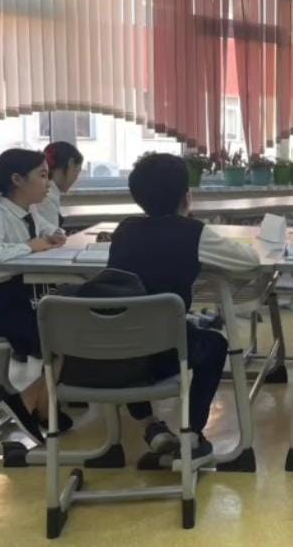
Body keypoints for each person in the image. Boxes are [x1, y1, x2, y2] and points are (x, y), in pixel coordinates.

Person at [106, 153, 260, 460]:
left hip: (115, 350)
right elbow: (249, 261)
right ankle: (192, 433)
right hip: (165, 349)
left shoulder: (124, 230)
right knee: (215, 345)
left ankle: (151, 426)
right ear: (186, 196)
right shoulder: (193, 232)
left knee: (133, 338)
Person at [0, 148, 68, 443]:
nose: (48, 182)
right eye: (42, 175)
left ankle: (43, 408)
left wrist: (55, 235)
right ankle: (27, 402)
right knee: (66, 337)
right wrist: (31, 246)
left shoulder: (29, 211)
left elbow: (48, 231)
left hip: (15, 299)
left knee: (68, 328)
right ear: (17, 180)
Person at [33, 141, 84, 228]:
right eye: (78, 171)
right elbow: (51, 235)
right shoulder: (46, 196)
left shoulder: (48, 192)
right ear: (71, 163)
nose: (76, 178)